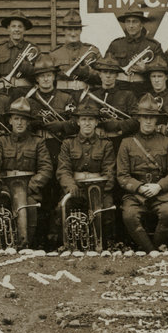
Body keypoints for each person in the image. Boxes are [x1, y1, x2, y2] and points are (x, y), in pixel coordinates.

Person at [116, 93, 168, 252]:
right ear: (139, 118)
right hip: (136, 193)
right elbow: (122, 175)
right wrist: (138, 187)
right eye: (144, 117)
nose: (148, 121)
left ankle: (154, 248)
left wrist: (159, 186)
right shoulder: (127, 143)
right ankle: (150, 250)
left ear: (157, 120)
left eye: (151, 118)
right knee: (129, 215)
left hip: (161, 191)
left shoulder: (167, 142)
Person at [0, 97, 53, 248]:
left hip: (28, 189)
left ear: (28, 122)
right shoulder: (1, 141)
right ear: (10, 121)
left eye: (23, 119)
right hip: (5, 188)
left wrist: (31, 187)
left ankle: (26, 245)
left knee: (30, 206)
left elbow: (46, 168)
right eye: (16, 118)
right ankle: (1, 246)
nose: (20, 122)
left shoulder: (38, 142)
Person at [26, 54, 76, 247]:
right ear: (37, 79)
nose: (46, 79)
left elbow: (76, 123)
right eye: (41, 76)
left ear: (54, 77)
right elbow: (21, 123)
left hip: (59, 147)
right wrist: (36, 123)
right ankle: (41, 239)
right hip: (38, 147)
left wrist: (61, 125)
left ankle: (61, 238)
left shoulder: (66, 97)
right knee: (42, 192)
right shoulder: (30, 100)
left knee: (59, 190)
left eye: (48, 75)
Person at [55, 101, 116, 248]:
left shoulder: (105, 144)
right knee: (62, 209)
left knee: (107, 210)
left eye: (90, 119)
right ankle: (71, 245)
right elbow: (63, 170)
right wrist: (70, 186)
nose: (87, 123)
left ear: (96, 122)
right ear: (78, 122)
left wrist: (100, 190)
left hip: (99, 189)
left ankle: (103, 245)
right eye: (83, 119)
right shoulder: (68, 143)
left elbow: (109, 171)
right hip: (76, 188)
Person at [105, 3, 164, 96]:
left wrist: (146, 69)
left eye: (135, 21)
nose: (131, 25)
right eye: (128, 22)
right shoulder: (115, 44)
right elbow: (105, 68)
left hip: (143, 88)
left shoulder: (153, 46)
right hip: (119, 88)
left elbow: (162, 71)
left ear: (142, 24)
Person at [85, 56, 139, 153]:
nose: (108, 76)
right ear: (100, 74)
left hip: (121, 141)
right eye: (105, 72)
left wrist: (119, 125)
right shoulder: (93, 96)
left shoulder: (127, 95)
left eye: (112, 73)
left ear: (116, 76)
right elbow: (85, 118)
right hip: (97, 142)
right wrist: (98, 127)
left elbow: (137, 119)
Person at [50, 8, 100, 99]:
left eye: (76, 29)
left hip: (86, 98)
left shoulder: (92, 51)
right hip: (61, 98)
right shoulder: (55, 54)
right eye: (69, 29)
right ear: (64, 31)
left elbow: (102, 77)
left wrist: (87, 72)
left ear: (81, 30)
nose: (73, 34)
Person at [0, 10, 38, 98]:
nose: (17, 30)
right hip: (3, 92)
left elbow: (39, 76)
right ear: (8, 28)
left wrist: (26, 68)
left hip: (25, 92)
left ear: (24, 29)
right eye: (13, 26)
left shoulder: (33, 49)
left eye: (20, 26)